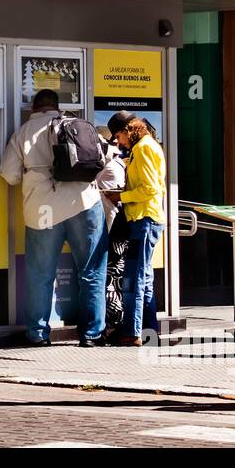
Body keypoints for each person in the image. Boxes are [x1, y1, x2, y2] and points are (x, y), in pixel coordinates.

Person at [0, 89, 108, 347]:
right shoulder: (73, 123)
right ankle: (92, 335)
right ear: (56, 107)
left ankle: (37, 335)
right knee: (92, 269)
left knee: (40, 274)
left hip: (42, 210)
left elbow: (9, 175)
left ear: (34, 107)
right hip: (84, 203)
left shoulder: (24, 132)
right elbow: (98, 162)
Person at [104, 117, 166, 347]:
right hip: (145, 218)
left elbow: (149, 188)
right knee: (145, 279)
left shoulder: (144, 148)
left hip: (144, 219)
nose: (119, 142)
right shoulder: (145, 146)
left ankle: (131, 333)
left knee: (133, 278)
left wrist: (121, 196)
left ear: (127, 131)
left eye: (119, 137)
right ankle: (149, 332)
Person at [96, 115, 134, 339]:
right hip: (122, 225)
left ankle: (113, 323)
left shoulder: (108, 164)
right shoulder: (121, 161)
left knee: (111, 276)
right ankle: (118, 322)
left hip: (113, 228)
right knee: (118, 275)